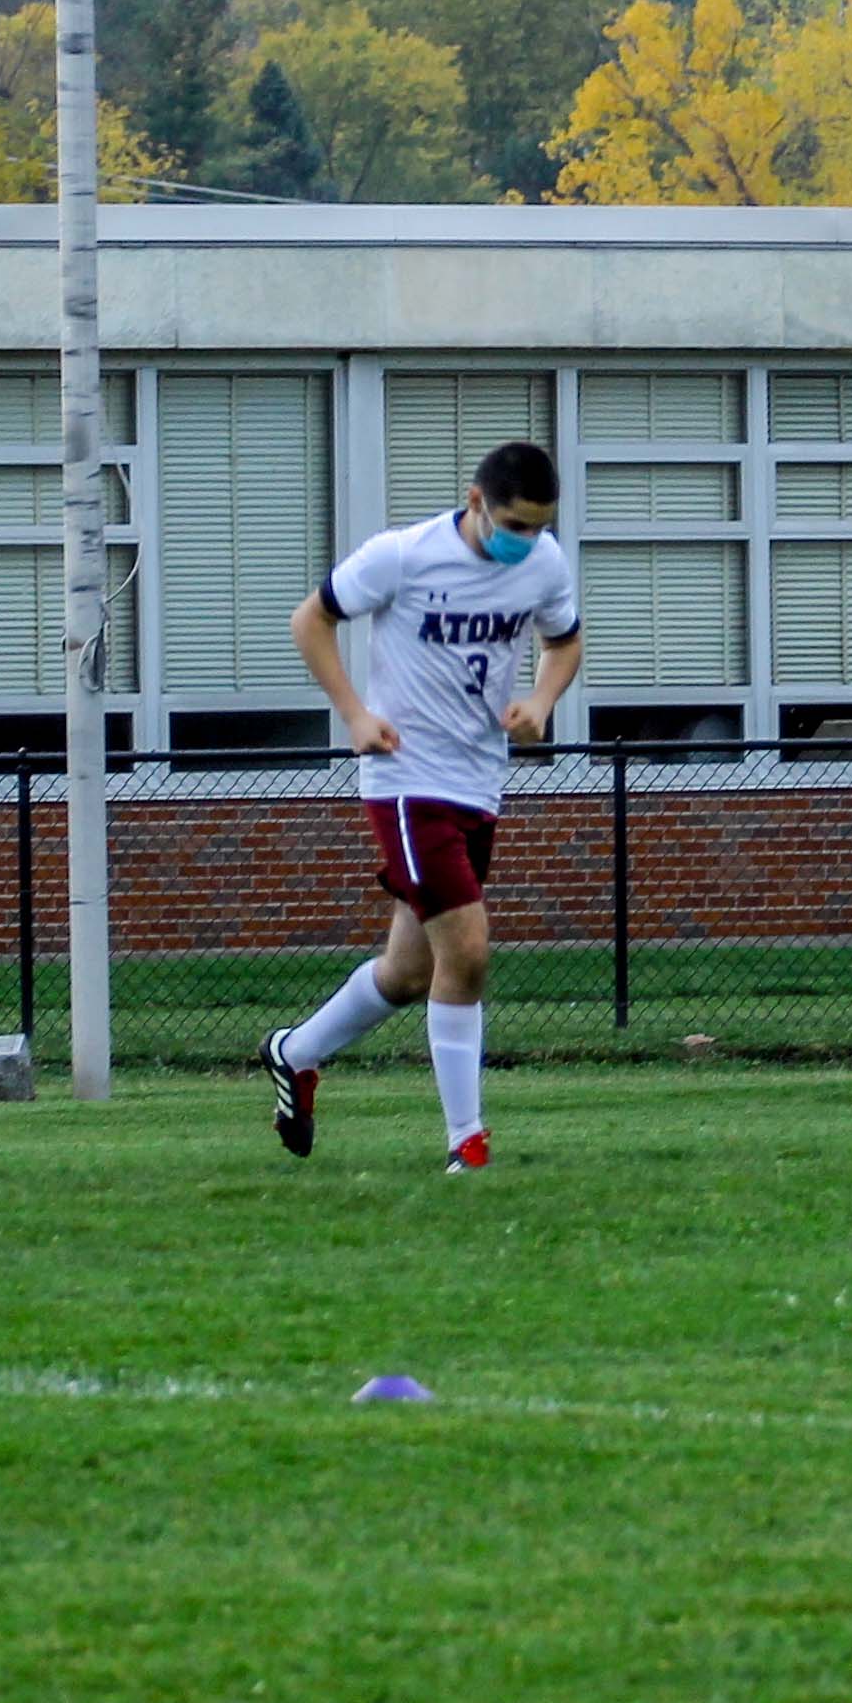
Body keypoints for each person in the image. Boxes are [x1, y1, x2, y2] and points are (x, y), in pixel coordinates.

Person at [261, 439, 582, 1171]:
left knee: (409, 972)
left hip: (478, 782)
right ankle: (466, 1143)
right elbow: (309, 620)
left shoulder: (542, 563)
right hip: (405, 781)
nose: (524, 540)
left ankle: (295, 1051)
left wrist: (540, 698)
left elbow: (563, 643)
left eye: (537, 526)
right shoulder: (400, 555)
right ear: (475, 502)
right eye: (513, 524)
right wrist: (353, 713)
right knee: (466, 953)